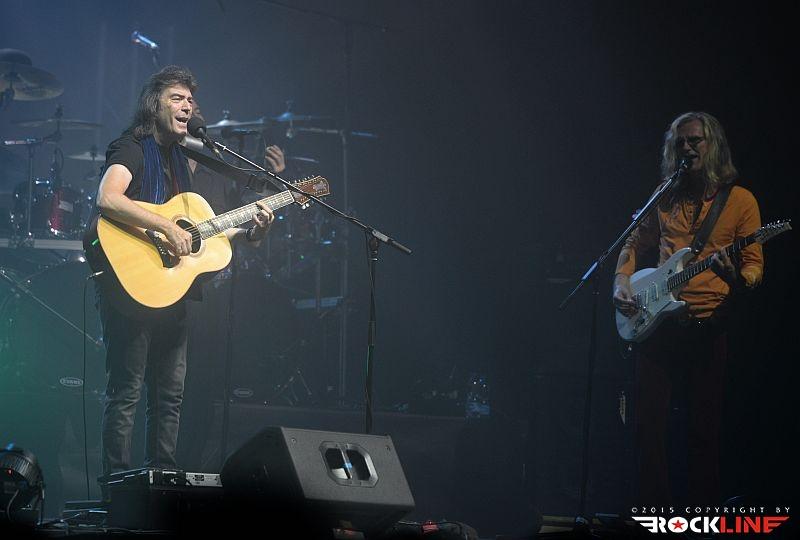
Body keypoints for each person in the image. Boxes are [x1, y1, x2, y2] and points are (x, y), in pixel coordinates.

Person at [94, 66, 274, 482]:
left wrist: (253, 231)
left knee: (170, 394)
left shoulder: (183, 157)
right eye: (177, 98)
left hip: (169, 289)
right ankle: (115, 490)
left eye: (190, 100)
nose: (187, 106)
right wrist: (165, 227)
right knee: (127, 392)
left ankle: (162, 482)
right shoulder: (132, 147)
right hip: (129, 284)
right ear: (154, 104)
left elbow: (200, 230)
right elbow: (107, 198)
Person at [612, 112, 764, 505]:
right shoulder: (665, 195)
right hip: (657, 325)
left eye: (695, 141)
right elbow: (632, 242)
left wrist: (734, 277)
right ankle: (653, 516)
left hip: (707, 325)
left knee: (702, 432)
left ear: (713, 146)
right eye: (680, 142)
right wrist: (621, 281)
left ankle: (702, 516)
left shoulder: (741, 201)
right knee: (647, 428)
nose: (687, 148)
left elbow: (754, 267)